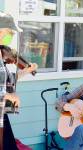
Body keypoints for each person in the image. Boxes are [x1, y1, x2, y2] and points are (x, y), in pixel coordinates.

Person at [0, 11, 38, 150]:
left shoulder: (3, 51)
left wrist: (25, 71)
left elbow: (6, 81)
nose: (12, 35)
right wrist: (7, 95)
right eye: (10, 32)